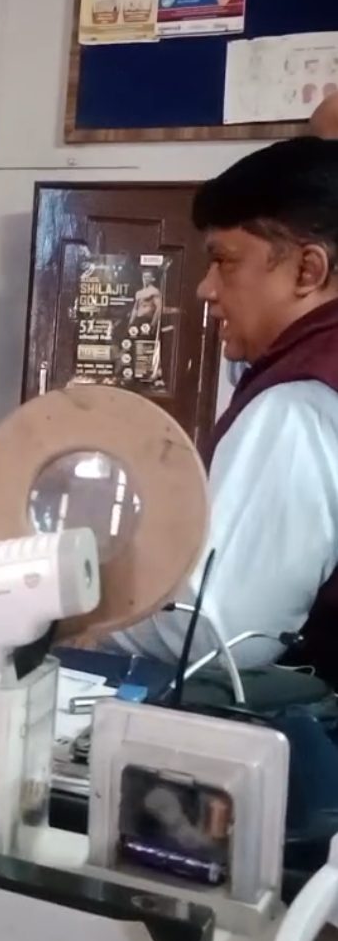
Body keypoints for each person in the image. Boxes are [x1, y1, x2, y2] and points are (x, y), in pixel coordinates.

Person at [107, 137, 338, 687]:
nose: (205, 289)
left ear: (307, 270)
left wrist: (80, 616)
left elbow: (220, 630)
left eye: (224, 261)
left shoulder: (298, 403)